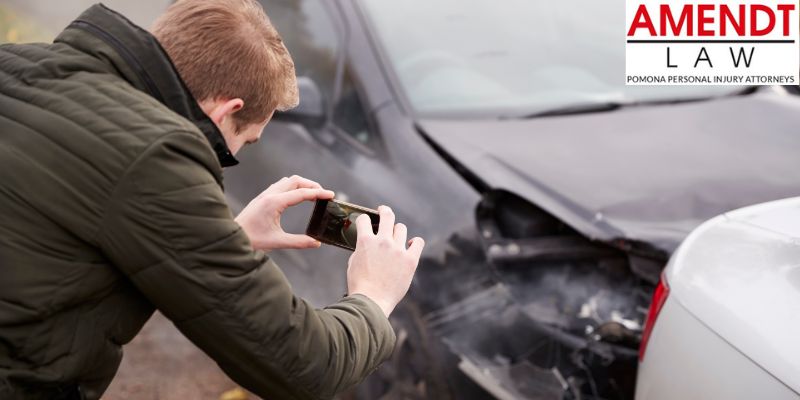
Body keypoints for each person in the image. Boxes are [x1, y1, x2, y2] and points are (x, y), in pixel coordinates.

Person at [0, 1, 424, 399]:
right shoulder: (155, 159)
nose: (234, 156)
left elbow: (74, 217)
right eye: (244, 141)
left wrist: (229, 235)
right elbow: (303, 364)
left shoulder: (16, 63)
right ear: (226, 111)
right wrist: (373, 296)